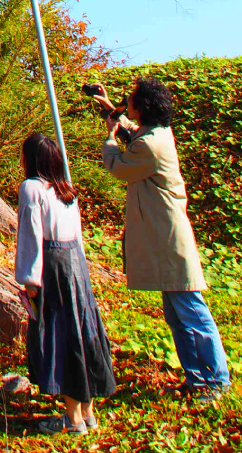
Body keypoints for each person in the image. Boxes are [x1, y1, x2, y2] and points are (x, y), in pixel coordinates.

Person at [91, 78, 231, 402]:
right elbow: (134, 133)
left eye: (131, 101)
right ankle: (198, 379)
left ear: (143, 108)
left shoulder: (149, 146)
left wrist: (110, 138)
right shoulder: (157, 134)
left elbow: (118, 165)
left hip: (169, 239)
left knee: (191, 310)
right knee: (178, 312)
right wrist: (107, 104)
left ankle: (215, 380)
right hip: (165, 235)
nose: (129, 105)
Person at [16, 133, 116, 435]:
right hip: (75, 266)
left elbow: (31, 234)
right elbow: (78, 237)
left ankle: (73, 419)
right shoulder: (66, 190)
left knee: (62, 335)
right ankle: (87, 412)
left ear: (31, 160)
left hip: (52, 266)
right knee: (82, 332)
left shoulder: (31, 188)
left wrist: (29, 280)